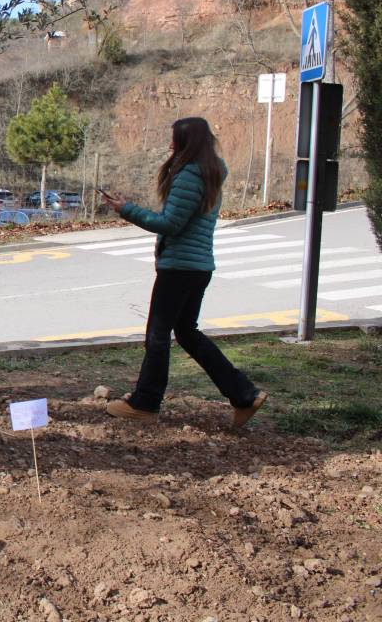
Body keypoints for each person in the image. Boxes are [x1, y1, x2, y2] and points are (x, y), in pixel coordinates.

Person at [100, 117, 266, 427]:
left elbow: (170, 224)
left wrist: (128, 210)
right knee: (187, 332)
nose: (169, 145)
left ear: (187, 143)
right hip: (198, 266)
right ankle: (244, 394)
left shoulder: (191, 175)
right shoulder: (210, 171)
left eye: (174, 139)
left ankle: (145, 403)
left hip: (179, 267)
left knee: (158, 334)